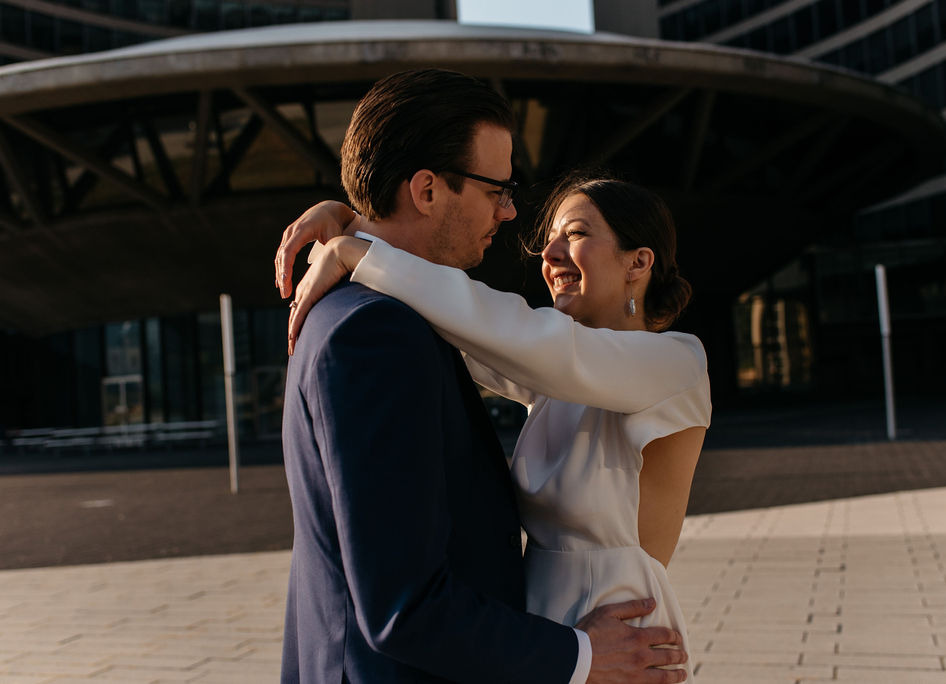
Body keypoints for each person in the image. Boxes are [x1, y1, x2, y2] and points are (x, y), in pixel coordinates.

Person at [274, 68, 689, 684]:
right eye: (496, 187)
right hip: (550, 650)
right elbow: (402, 604)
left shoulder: (671, 361)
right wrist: (356, 230)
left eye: (573, 235)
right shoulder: (377, 332)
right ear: (427, 189)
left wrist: (358, 239)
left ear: (640, 262)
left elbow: (511, 333)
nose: (510, 211)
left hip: (607, 636)